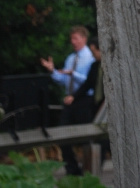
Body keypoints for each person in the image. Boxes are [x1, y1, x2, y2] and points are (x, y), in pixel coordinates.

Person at [41, 25, 95, 176]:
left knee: (86, 137)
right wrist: (52, 70)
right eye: (71, 39)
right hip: (69, 100)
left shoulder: (90, 58)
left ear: (84, 39)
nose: (73, 41)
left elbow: (89, 82)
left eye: (76, 38)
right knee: (62, 135)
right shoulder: (71, 59)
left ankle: (89, 171)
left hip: (83, 100)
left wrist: (74, 74)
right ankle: (72, 170)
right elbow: (62, 79)